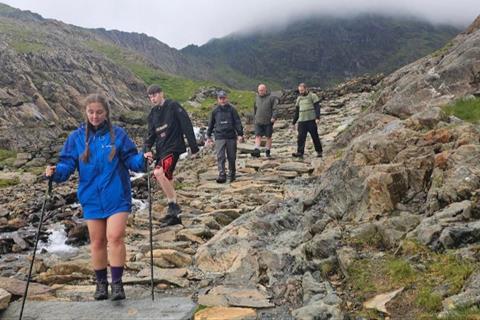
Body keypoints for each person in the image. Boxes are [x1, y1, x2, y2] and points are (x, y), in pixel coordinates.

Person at [45, 93, 147, 301]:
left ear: (107, 113)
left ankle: (117, 284)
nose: (94, 116)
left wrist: (143, 159)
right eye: (91, 112)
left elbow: (131, 160)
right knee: (97, 241)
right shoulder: (76, 137)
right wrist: (55, 172)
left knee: (115, 237)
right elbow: (67, 165)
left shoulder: (118, 135)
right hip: (91, 196)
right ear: (85, 112)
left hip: (117, 194)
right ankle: (101, 285)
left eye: (99, 112)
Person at [144, 84, 199, 226]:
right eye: (150, 97)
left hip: (174, 147)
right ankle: (174, 214)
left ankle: (173, 206)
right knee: (167, 176)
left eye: (154, 95)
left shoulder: (173, 106)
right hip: (161, 150)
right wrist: (147, 149)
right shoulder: (152, 114)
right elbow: (150, 135)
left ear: (161, 93)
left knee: (158, 172)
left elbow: (186, 124)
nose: (153, 99)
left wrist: (194, 147)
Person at [206, 90, 244, 183]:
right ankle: (222, 174)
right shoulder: (215, 111)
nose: (222, 100)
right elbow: (211, 124)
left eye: (224, 98)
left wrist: (240, 134)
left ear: (227, 98)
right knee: (220, 156)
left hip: (231, 136)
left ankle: (232, 173)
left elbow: (237, 122)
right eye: (220, 98)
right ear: (218, 99)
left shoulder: (232, 109)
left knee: (232, 156)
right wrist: (208, 136)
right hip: (219, 136)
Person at [292, 83, 323, 158]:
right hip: (302, 121)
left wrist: (317, 117)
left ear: (306, 89)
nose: (301, 92)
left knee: (314, 136)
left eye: (302, 90)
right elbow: (297, 111)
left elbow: (317, 107)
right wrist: (293, 122)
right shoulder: (299, 98)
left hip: (311, 120)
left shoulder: (313, 96)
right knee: (300, 137)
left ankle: (319, 151)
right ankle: (300, 152)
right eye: (300, 91)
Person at [250, 83, 278, 158]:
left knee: (268, 136)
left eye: (262, 90)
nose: (260, 92)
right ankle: (256, 150)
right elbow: (255, 109)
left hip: (268, 121)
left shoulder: (271, 98)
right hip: (258, 121)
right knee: (257, 135)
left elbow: (275, 109)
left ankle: (267, 151)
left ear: (265, 90)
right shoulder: (256, 98)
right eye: (259, 90)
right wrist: (254, 118)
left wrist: (274, 117)